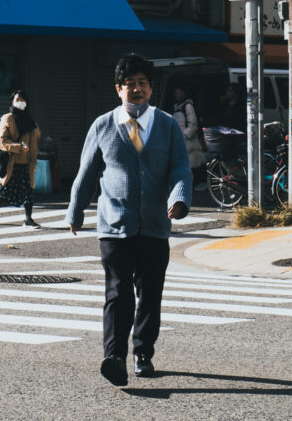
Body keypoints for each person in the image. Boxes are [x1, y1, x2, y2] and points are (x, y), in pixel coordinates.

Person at [66, 53, 191, 385]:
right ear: (118, 89)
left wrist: (178, 199)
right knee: (118, 292)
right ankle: (114, 356)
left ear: (150, 88)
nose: (137, 90)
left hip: (153, 226)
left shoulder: (166, 126)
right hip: (113, 225)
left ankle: (143, 353)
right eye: (130, 84)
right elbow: (87, 172)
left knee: (150, 293)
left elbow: (181, 168)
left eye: (143, 84)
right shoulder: (103, 126)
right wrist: (75, 210)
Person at [0, 90, 41, 228]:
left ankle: (28, 218)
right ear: (12, 102)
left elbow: (34, 143)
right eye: (17, 98)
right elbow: (3, 141)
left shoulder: (31, 121)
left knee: (28, 190)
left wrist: (33, 159)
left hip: (26, 162)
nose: (20, 101)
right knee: (5, 189)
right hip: (12, 161)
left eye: (23, 98)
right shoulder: (8, 118)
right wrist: (18, 147)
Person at [171, 83, 206, 191]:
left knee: (193, 166)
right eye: (176, 92)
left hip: (189, 142)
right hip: (181, 141)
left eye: (180, 92)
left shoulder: (188, 106)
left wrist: (184, 135)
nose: (177, 95)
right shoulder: (176, 107)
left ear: (184, 93)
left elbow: (193, 125)